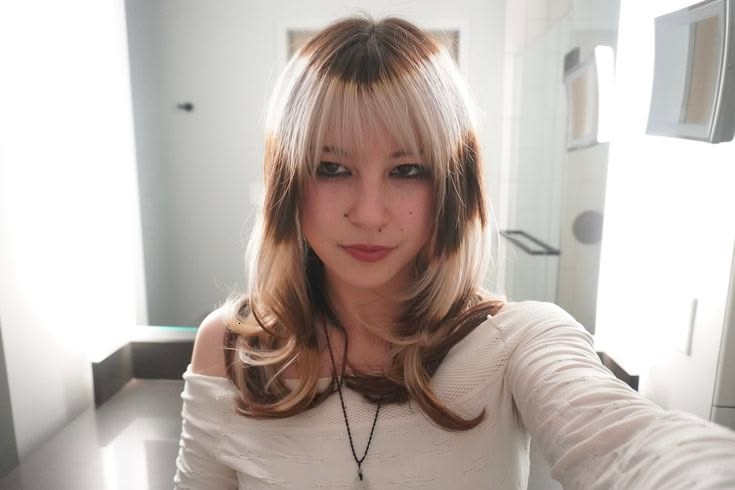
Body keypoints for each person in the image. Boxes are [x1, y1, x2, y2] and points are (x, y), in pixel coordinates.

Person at [174, 15, 735, 490]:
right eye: (333, 168)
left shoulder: (516, 342)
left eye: (406, 170)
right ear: (288, 182)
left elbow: (625, 444)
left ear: (451, 186)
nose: (369, 212)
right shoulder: (229, 348)